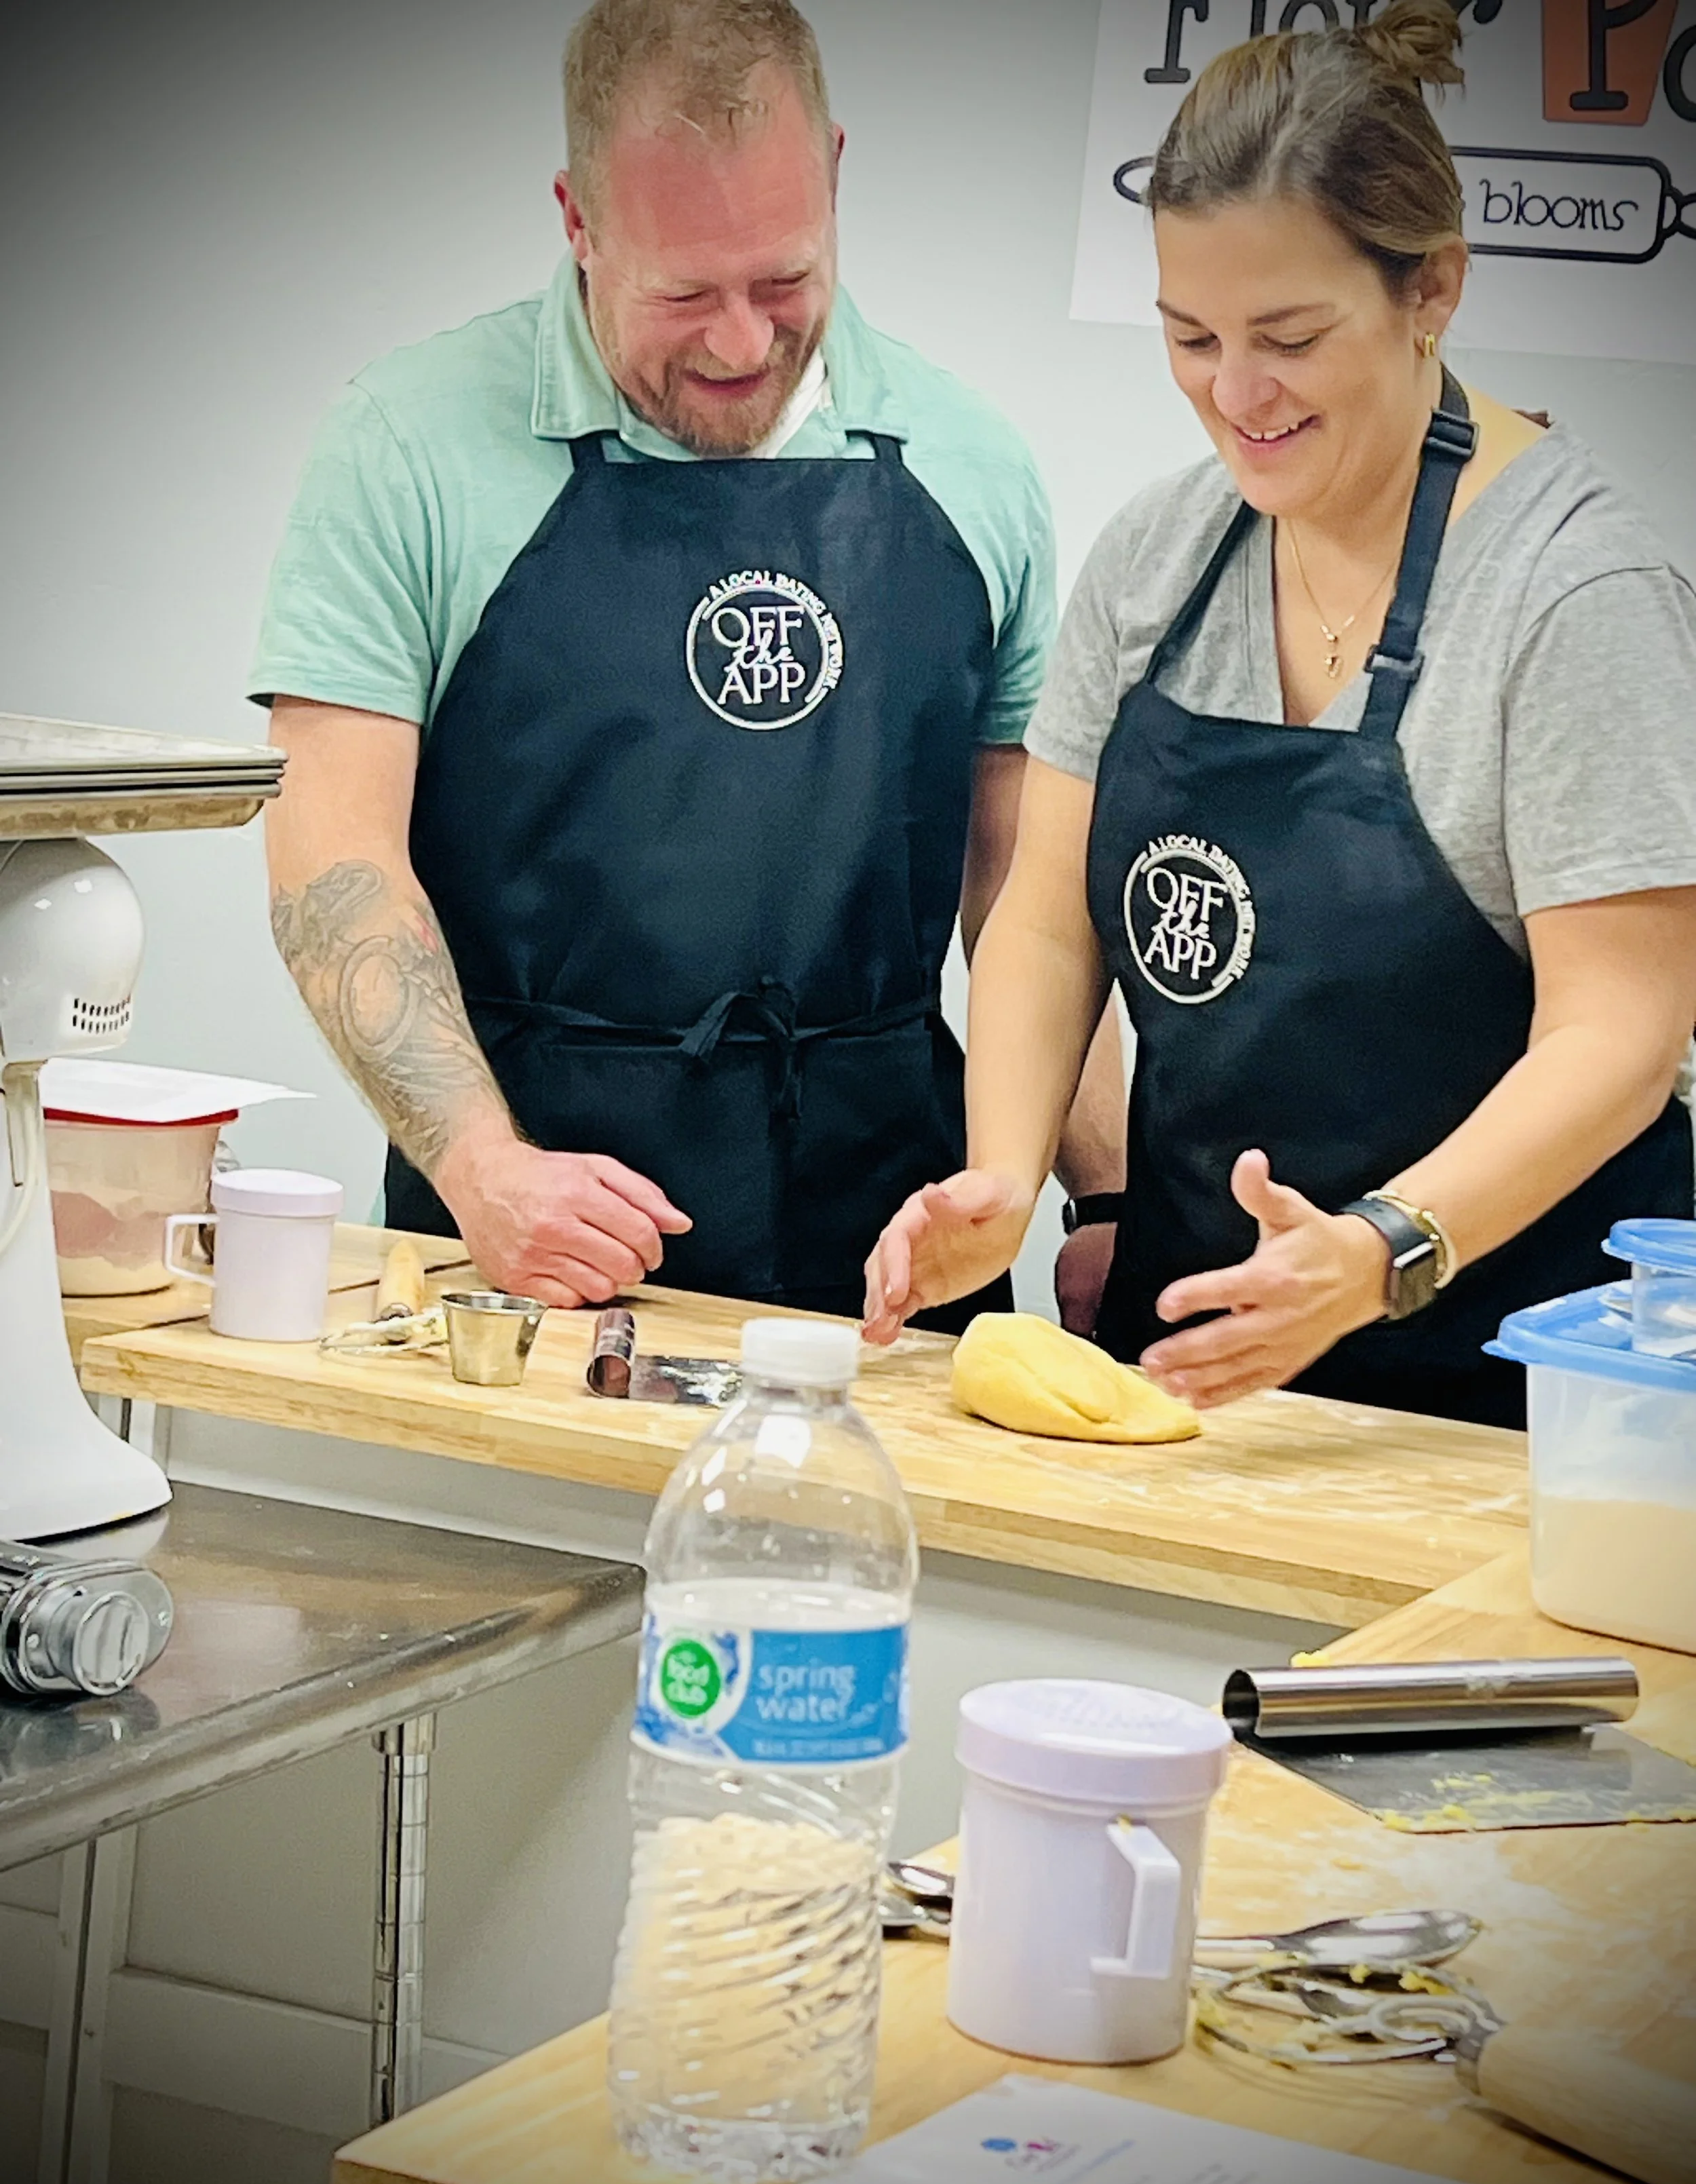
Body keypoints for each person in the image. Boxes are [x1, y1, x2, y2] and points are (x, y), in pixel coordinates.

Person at [864, 1, 1696, 1427]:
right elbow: (1052, 916)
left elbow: (1618, 1029)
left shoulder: (1571, 592)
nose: (1232, 395)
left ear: (1428, 287)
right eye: (1188, 336)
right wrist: (1002, 1175)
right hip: (1191, 1373)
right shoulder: (1158, 559)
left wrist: (1379, 1249)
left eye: (1287, 337)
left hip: (1507, 1401)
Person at [255, 0, 1124, 1325]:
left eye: (783, 284)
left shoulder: (973, 465)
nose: (737, 344)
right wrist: (484, 1173)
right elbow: (332, 852)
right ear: (577, 218)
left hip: (890, 1269)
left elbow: (1024, 885)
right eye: (681, 295)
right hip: (528, 1264)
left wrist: (1107, 1196)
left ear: (835, 175)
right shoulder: (408, 449)